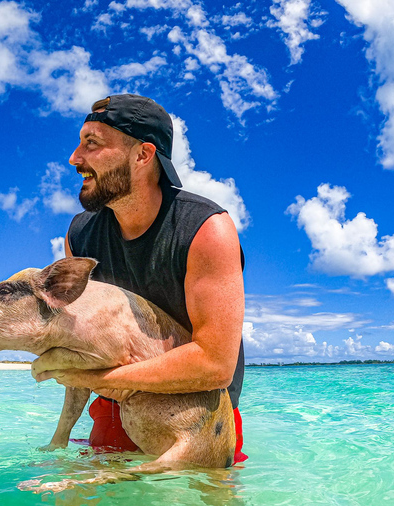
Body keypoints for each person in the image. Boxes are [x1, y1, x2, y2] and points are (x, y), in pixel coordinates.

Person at [34, 94, 247, 463]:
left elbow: (215, 364)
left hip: (196, 413)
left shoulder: (206, 230)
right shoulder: (80, 235)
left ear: (143, 155)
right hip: (116, 404)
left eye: (92, 143)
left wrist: (99, 381)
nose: (74, 158)